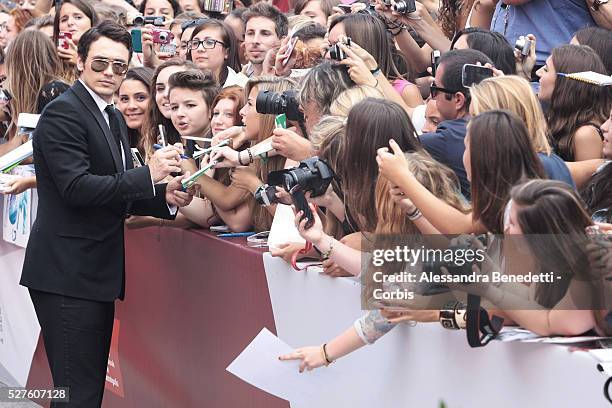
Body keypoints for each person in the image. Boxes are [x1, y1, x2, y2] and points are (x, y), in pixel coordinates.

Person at [19, 22, 195, 406]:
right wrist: (147, 174)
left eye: (119, 66)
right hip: (67, 275)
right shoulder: (63, 113)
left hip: (90, 273)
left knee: (83, 392)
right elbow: (77, 189)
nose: (110, 74)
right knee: (76, 394)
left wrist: (164, 196)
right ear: (80, 61)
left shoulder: (111, 116)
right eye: (100, 64)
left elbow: (115, 192)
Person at [377, 109, 545, 235]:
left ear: (484, 158)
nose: (463, 154)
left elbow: (459, 227)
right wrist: (412, 210)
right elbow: (456, 252)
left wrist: (404, 178)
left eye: (466, 147)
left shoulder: (520, 205)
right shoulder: (507, 197)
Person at [419, 48, 493, 198]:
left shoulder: (448, 138)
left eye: (435, 89)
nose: (432, 97)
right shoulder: (508, 125)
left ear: (458, 100)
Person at [536, 44, 610, 161]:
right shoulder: (560, 117)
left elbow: (587, 179)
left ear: (566, 83)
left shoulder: (586, 134)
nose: (538, 73)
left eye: (546, 69)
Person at [186, 19, 247, 87]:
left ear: (227, 52)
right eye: (195, 43)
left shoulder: (241, 87)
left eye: (209, 42)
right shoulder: (182, 84)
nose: (199, 49)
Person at [52, 0, 98, 83]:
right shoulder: (50, 59)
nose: (70, 23)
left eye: (78, 17)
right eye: (64, 19)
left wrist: (80, 61)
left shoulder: (107, 51)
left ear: (91, 22)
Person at [242, 3, 288, 77]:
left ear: (282, 41)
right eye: (250, 33)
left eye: (265, 34)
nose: (255, 41)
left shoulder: (294, 83)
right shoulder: (236, 81)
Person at [117, 67, 154, 152]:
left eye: (140, 98)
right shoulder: (116, 141)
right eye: (125, 99)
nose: (131, 106)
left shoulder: (175, 141)